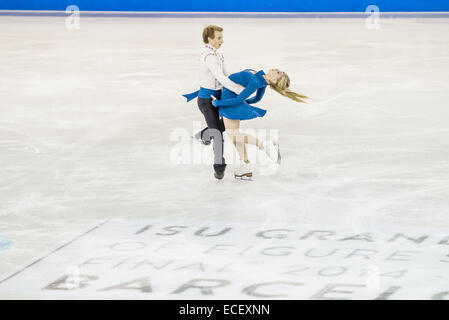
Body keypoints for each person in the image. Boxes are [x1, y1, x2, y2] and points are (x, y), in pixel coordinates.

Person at [211, 68, 309, 178]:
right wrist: (243, 104)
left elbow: (239, 99)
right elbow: (256, 99)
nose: (276, 69)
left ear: (274, 80)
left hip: (229, 102)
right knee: (235, 136)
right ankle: (245, 166)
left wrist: (219, 102)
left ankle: (265, 145)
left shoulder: (256, 81)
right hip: (231, 102)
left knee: (234, 135)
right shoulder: (261, 81)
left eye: (278, 73)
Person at [183, 25, 243, 180]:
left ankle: (204, 134)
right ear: (209, 38)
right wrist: (239, 91)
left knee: (231, 121)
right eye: (219, 38)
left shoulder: (218, 55)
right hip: (206, 101)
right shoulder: (209, 57)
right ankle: (219, 166)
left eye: (221, 37)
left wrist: (239, 87)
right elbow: (221, 78)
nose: (222, 40)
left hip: (219, 98)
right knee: (217, 133)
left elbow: (226, 76)